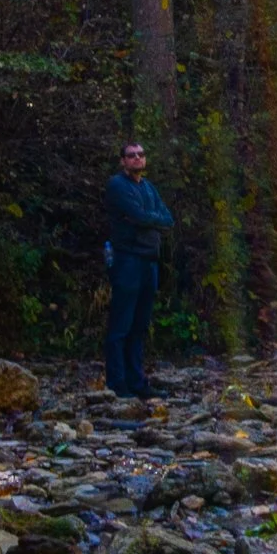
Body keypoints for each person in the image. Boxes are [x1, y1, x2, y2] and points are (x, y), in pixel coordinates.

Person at [104, 140, 174, 399]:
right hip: (126, 259)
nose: (137, 159)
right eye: (131, 155)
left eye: (141, 155)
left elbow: (167, 219)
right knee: (121, 323)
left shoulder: (148, 187)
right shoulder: (117, 186)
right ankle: (117, 383)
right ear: (123, 160)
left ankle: (137, 382)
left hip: (149, 260)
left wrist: (148, 219)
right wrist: (148, 218)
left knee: (140, 324)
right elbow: (138, 215)